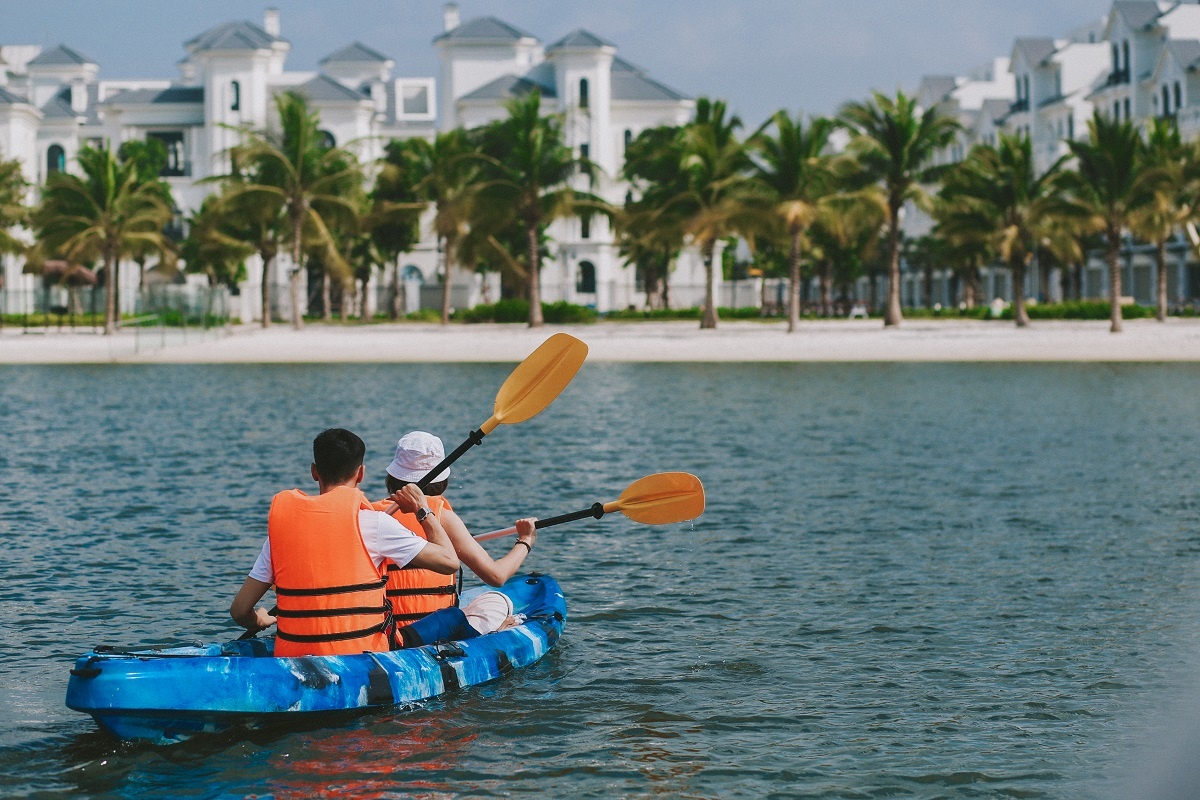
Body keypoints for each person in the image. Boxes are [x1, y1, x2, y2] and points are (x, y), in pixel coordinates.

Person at [229, 428, 460, 657]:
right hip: (362, 660)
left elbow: (239, 610)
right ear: (361, 474)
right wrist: (422, 509)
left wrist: (258, 619)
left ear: (314, 472)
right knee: (452, 618)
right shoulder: (375, 523)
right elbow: (450, 562)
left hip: (293, 656)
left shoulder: (282, 531)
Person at [374, 431, 538, 623]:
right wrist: (525, 540)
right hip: (433, 630)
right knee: (497, 600)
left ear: (392, 476)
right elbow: (496, 576)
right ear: (442, 480)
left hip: (384, 629)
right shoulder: (444, 518)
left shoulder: (373, 515)